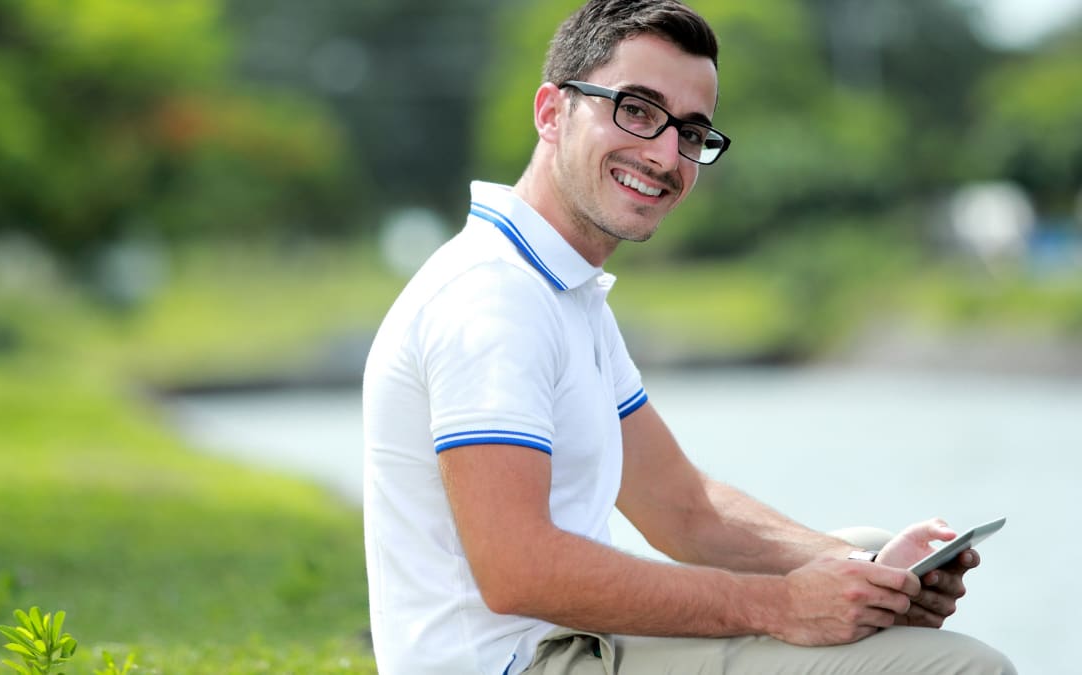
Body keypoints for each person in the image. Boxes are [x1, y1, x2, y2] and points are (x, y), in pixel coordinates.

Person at [361, 1, 1017, 673]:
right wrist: (782, 604)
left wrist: (866, 570)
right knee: (967, 668)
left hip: (572, 641)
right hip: (520, 660)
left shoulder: (565, 290)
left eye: (690, 131)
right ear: (552, 112)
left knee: (870, 556)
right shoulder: (493, 299)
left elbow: (683, 507)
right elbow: (517, 571)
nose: (664, 153)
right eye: (636, 110)